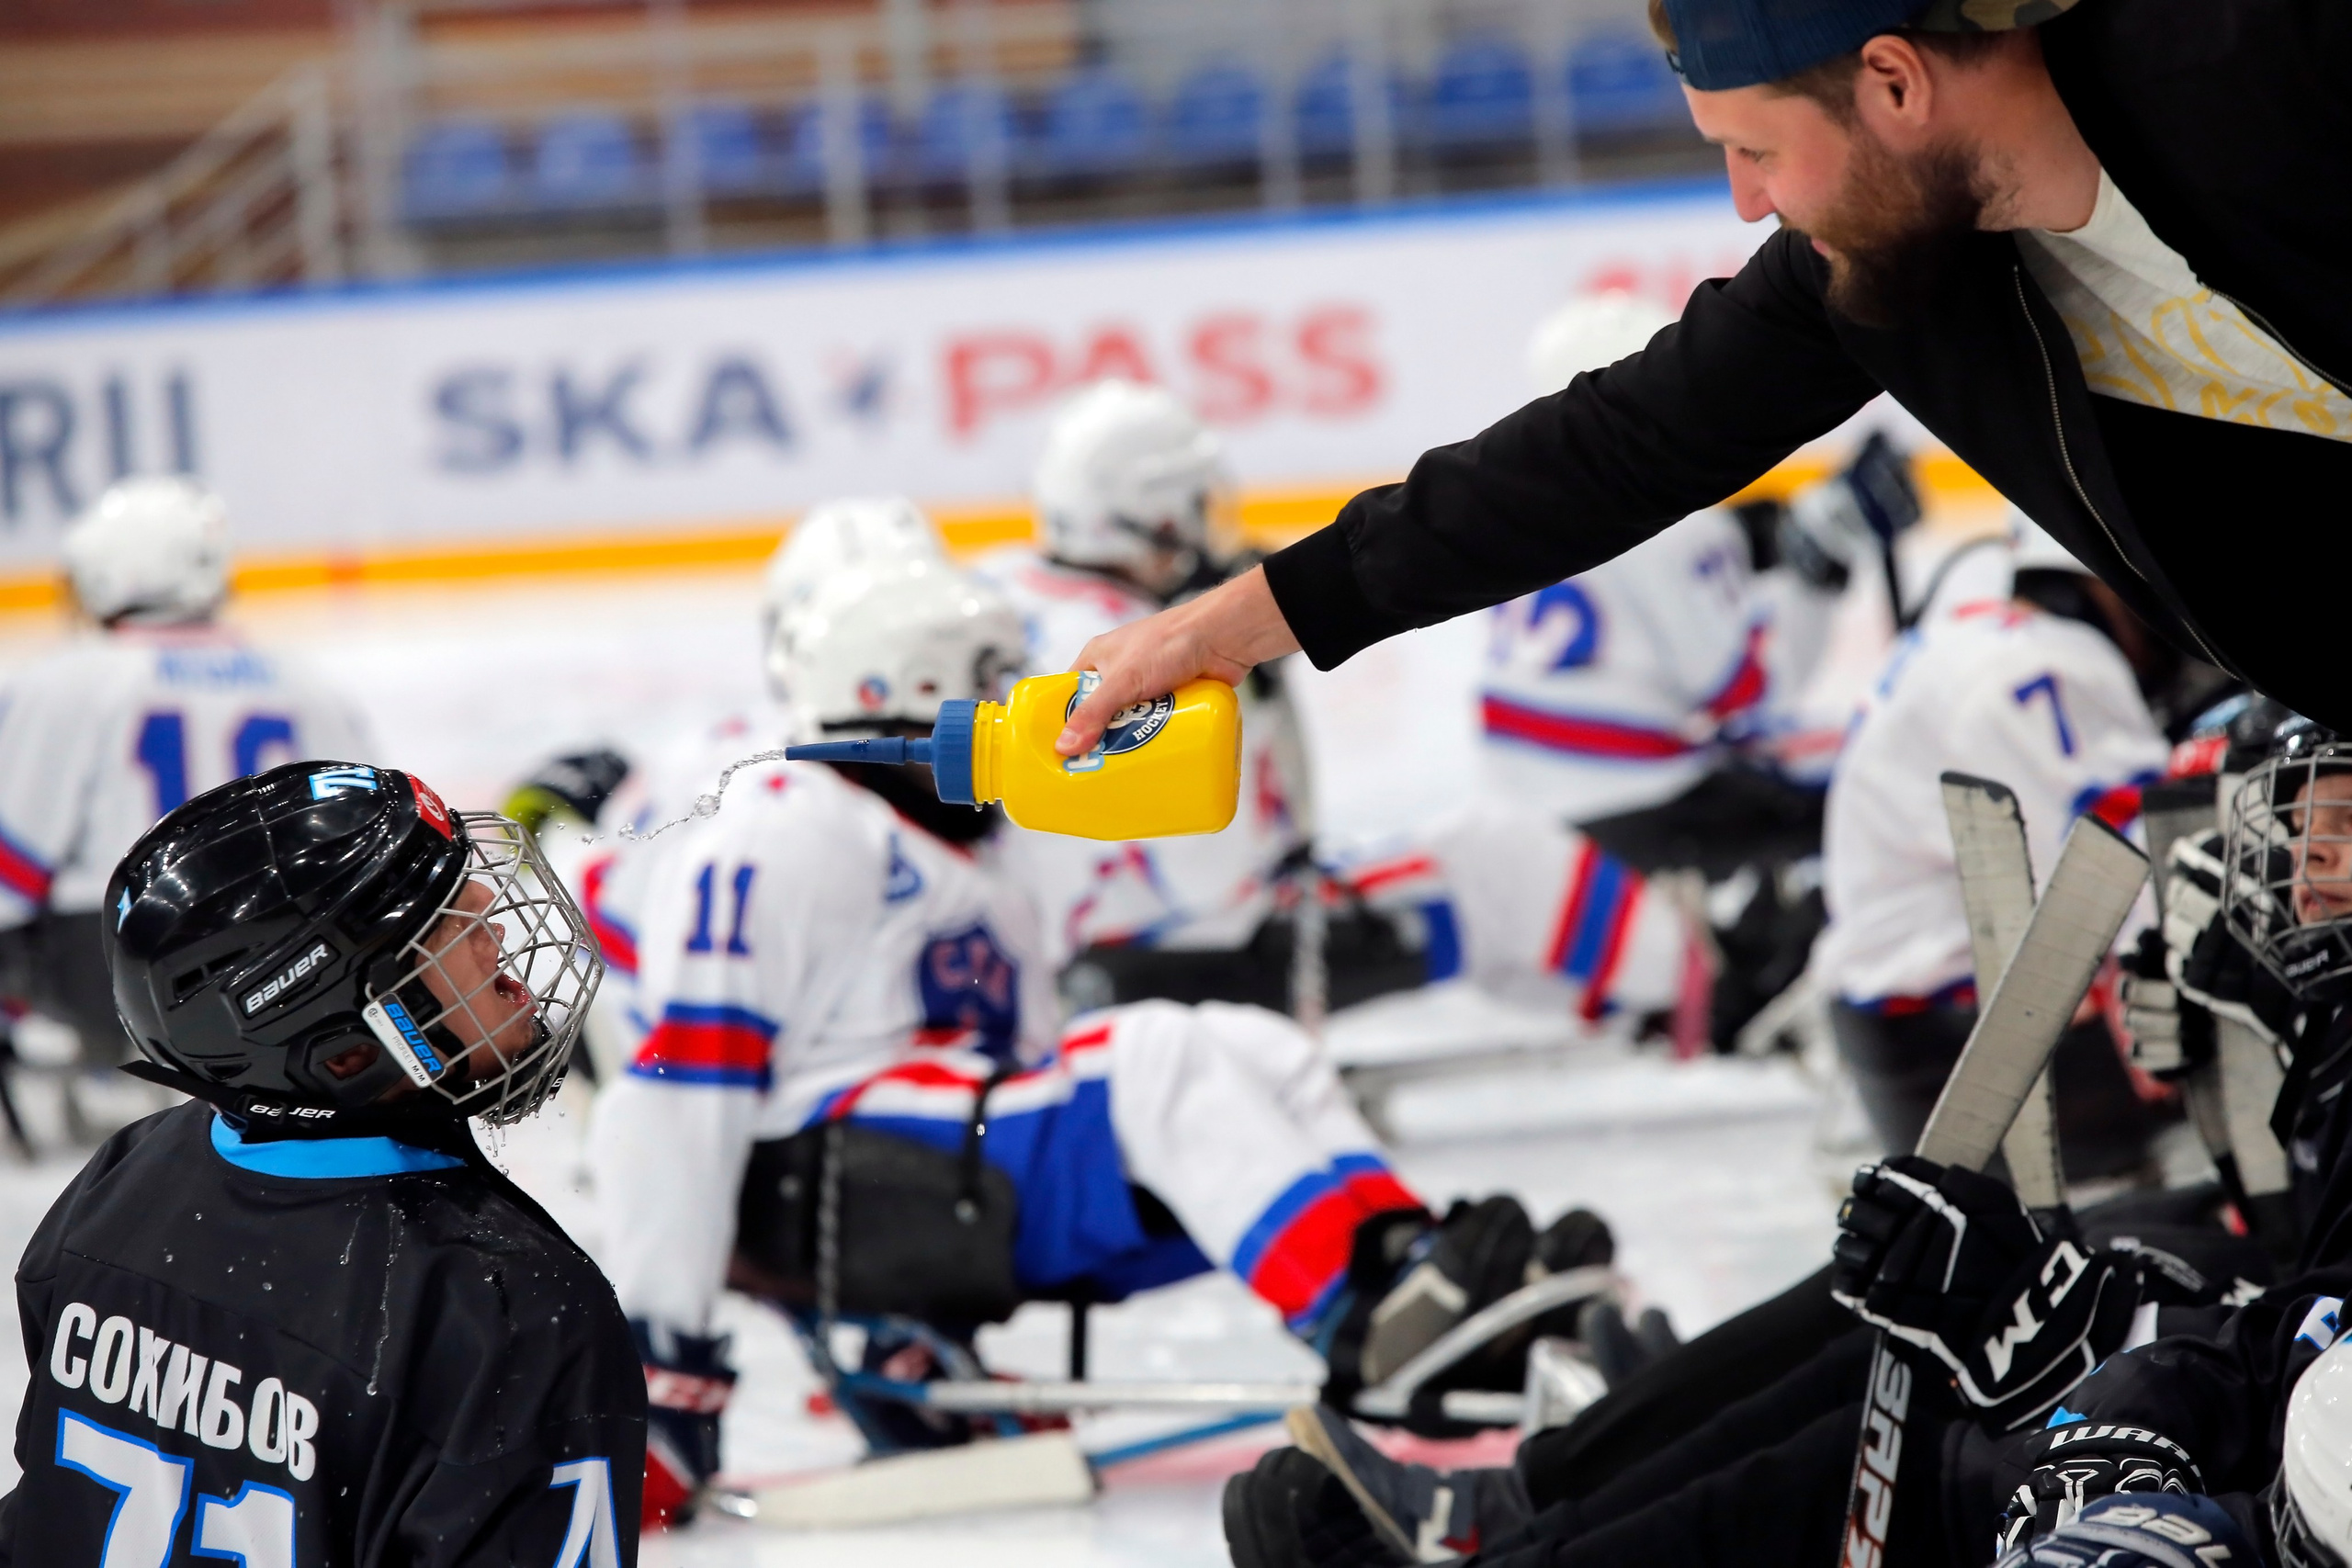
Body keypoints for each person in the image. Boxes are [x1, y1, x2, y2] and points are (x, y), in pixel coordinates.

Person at [1052, 0, 2352, 775]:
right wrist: (1229, 627)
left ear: (1894, 81)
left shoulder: (2270, 61)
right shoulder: (1896, 277)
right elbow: (1611, 447)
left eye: (1756, 150)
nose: (1745, 201)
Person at [588, 557, 1612, 1528]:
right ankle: (1368, 1324)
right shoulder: (785, 830)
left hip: (932, 1173)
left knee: (1251, 1046)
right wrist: (665, 1361)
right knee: (1155, 1058)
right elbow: (674, 1098)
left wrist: (924, 1350)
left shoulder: (981, 849)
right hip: (824, 1187)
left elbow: (1027, 1059)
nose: (1018, 702)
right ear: (907, 692)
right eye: (993, 678)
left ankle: (1406, 1274)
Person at [0, 760, 641, 1565]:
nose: (491, 914)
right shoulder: (512, 1308)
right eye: (438, 918)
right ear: (343, 1052)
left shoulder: (125, 1178)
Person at [0, 477, 372, 1138]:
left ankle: (96, 1062)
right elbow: (369, 833)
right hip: (295, 962)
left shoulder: (66, 680)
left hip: (115, 969)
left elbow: (15, 863)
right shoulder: (308, 682)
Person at [1815, 513, 2172, 1176]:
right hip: (1978, 1059)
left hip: (1912, 1036)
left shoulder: (1969, 634)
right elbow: (2137, 884)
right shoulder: (2041, 665)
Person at [967, 380, 1316, 1007]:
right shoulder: (1148, 654)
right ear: (1150, 516)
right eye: (1191, 505)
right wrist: (1256, 699)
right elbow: (1216, 879)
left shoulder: (991, 580)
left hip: (1011, 942)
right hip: (1144, 966)